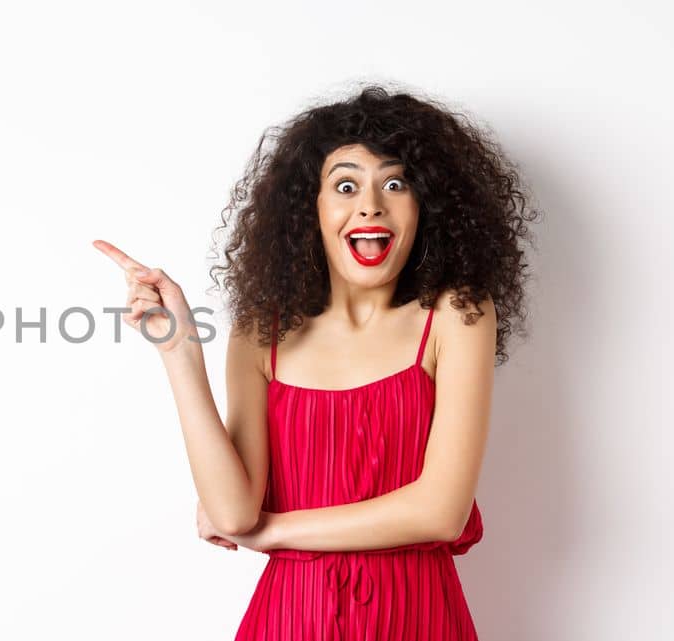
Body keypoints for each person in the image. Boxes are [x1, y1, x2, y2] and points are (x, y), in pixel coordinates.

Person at [92, 84, 538, 640]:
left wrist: (275, 532)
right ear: (312, 209)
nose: (370, 204)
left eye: (395, 183)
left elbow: (440, 511)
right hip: (289, 621)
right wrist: (180, 353)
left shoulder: (456, 314)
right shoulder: (263, 331)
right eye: (345, 185)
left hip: (416, 620)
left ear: (427, 205)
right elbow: (232, 515)